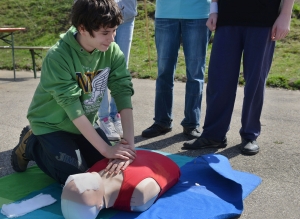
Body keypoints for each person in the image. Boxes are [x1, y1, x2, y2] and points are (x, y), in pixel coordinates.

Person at [10, 0, 136, 185]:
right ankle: (31, 144)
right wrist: (106, 149)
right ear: (83, 28)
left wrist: (129, 147)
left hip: (84, 124)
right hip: (52, 125)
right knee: (75, 177)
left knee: (105, 169)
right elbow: (72, 106)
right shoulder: (58, 56)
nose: (112, 38)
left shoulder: (111, 50)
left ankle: (65, 148)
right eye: (105, 33)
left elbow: (122, 90)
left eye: (115, 30)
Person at [183, 0, 295, 155]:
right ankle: (214, 135)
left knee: (255, 81)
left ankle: (250, 135)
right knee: (219, 80)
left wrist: (285, 14)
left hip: (263, 18)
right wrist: (213, 10)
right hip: (227, 17)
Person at [141, 0, 212, 138]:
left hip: (198, 13)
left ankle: (191, 123)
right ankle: (162, 121)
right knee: (163, 72)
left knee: (195, 74)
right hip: (165, 13)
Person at [61, 149, 180, 219]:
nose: (79, 180)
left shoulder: (89, 173)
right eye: (86, 189)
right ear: (99, 205)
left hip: (135, 152)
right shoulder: (137, 195)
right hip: (164, 162)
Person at [98, 0, 137, 141]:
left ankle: (116, 115)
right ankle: (104, 118)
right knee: (101, 68)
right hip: (99, 14)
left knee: (121, 68)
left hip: (126, 14)